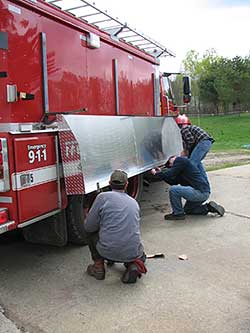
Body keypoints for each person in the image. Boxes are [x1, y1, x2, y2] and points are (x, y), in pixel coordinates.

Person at [84, 170, 147, 284]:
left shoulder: (102, 197)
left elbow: (89, 227)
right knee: (141, 254)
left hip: (106, 251)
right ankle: (132, 265)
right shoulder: (134, 202)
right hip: (131, 252)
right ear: (127, 184)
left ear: (109, 183)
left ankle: (98, 266)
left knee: (89, 232)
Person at [151, 155, 225, 220]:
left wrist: (158, 173)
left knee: (174, 190)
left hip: (199, 192)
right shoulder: (183, 170)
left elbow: (170, 173)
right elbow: (173, 181)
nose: (171, 166)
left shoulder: (180, 159)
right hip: (203, 193)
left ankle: (178, 214)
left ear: (173, 158)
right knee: (189, 210)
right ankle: (208, 208)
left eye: (170, 163)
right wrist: (161, 173)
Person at [175, 114, 214, 180]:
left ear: (179, 124)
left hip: (203, 143)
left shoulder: (184, 129)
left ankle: (195, 183)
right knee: (197, 163)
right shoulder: (190, 127)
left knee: (192, 164)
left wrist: (185, 151)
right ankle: (204, 182)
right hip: (207, 142)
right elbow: (192, 142)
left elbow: (191, 141)